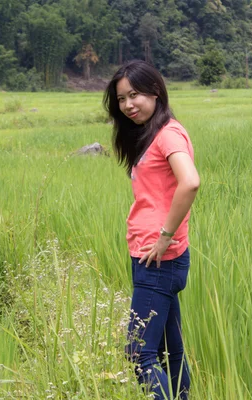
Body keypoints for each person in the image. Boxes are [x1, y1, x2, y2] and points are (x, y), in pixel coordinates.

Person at [103, 60, 200, 399]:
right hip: (158, 259)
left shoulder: (169, 134)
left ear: (155, 92)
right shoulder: (155, 133)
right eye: (121, 99)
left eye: (135, 95)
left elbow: (190, 182)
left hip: (158, 260)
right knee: (168, 352)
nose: (128, 105)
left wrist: (164, 236)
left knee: (138, 352)